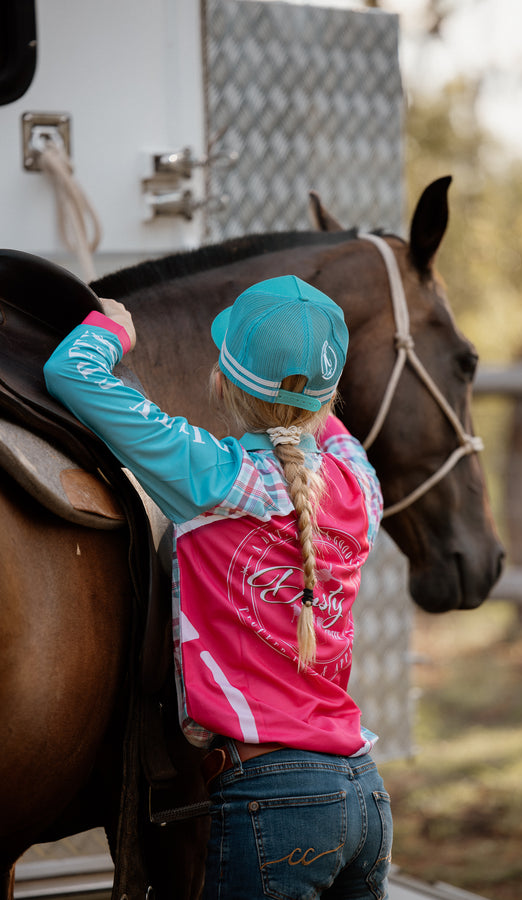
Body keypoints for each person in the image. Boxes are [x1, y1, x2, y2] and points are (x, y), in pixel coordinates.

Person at [44, 275, 393, 899]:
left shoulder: (214, 478)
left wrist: (111, 330)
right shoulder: (359, 491)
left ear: (222, 381)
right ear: (329, 398)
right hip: (365, 796)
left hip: (273, 800)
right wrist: (314, 409)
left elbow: (73, 373)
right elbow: (343, 443)